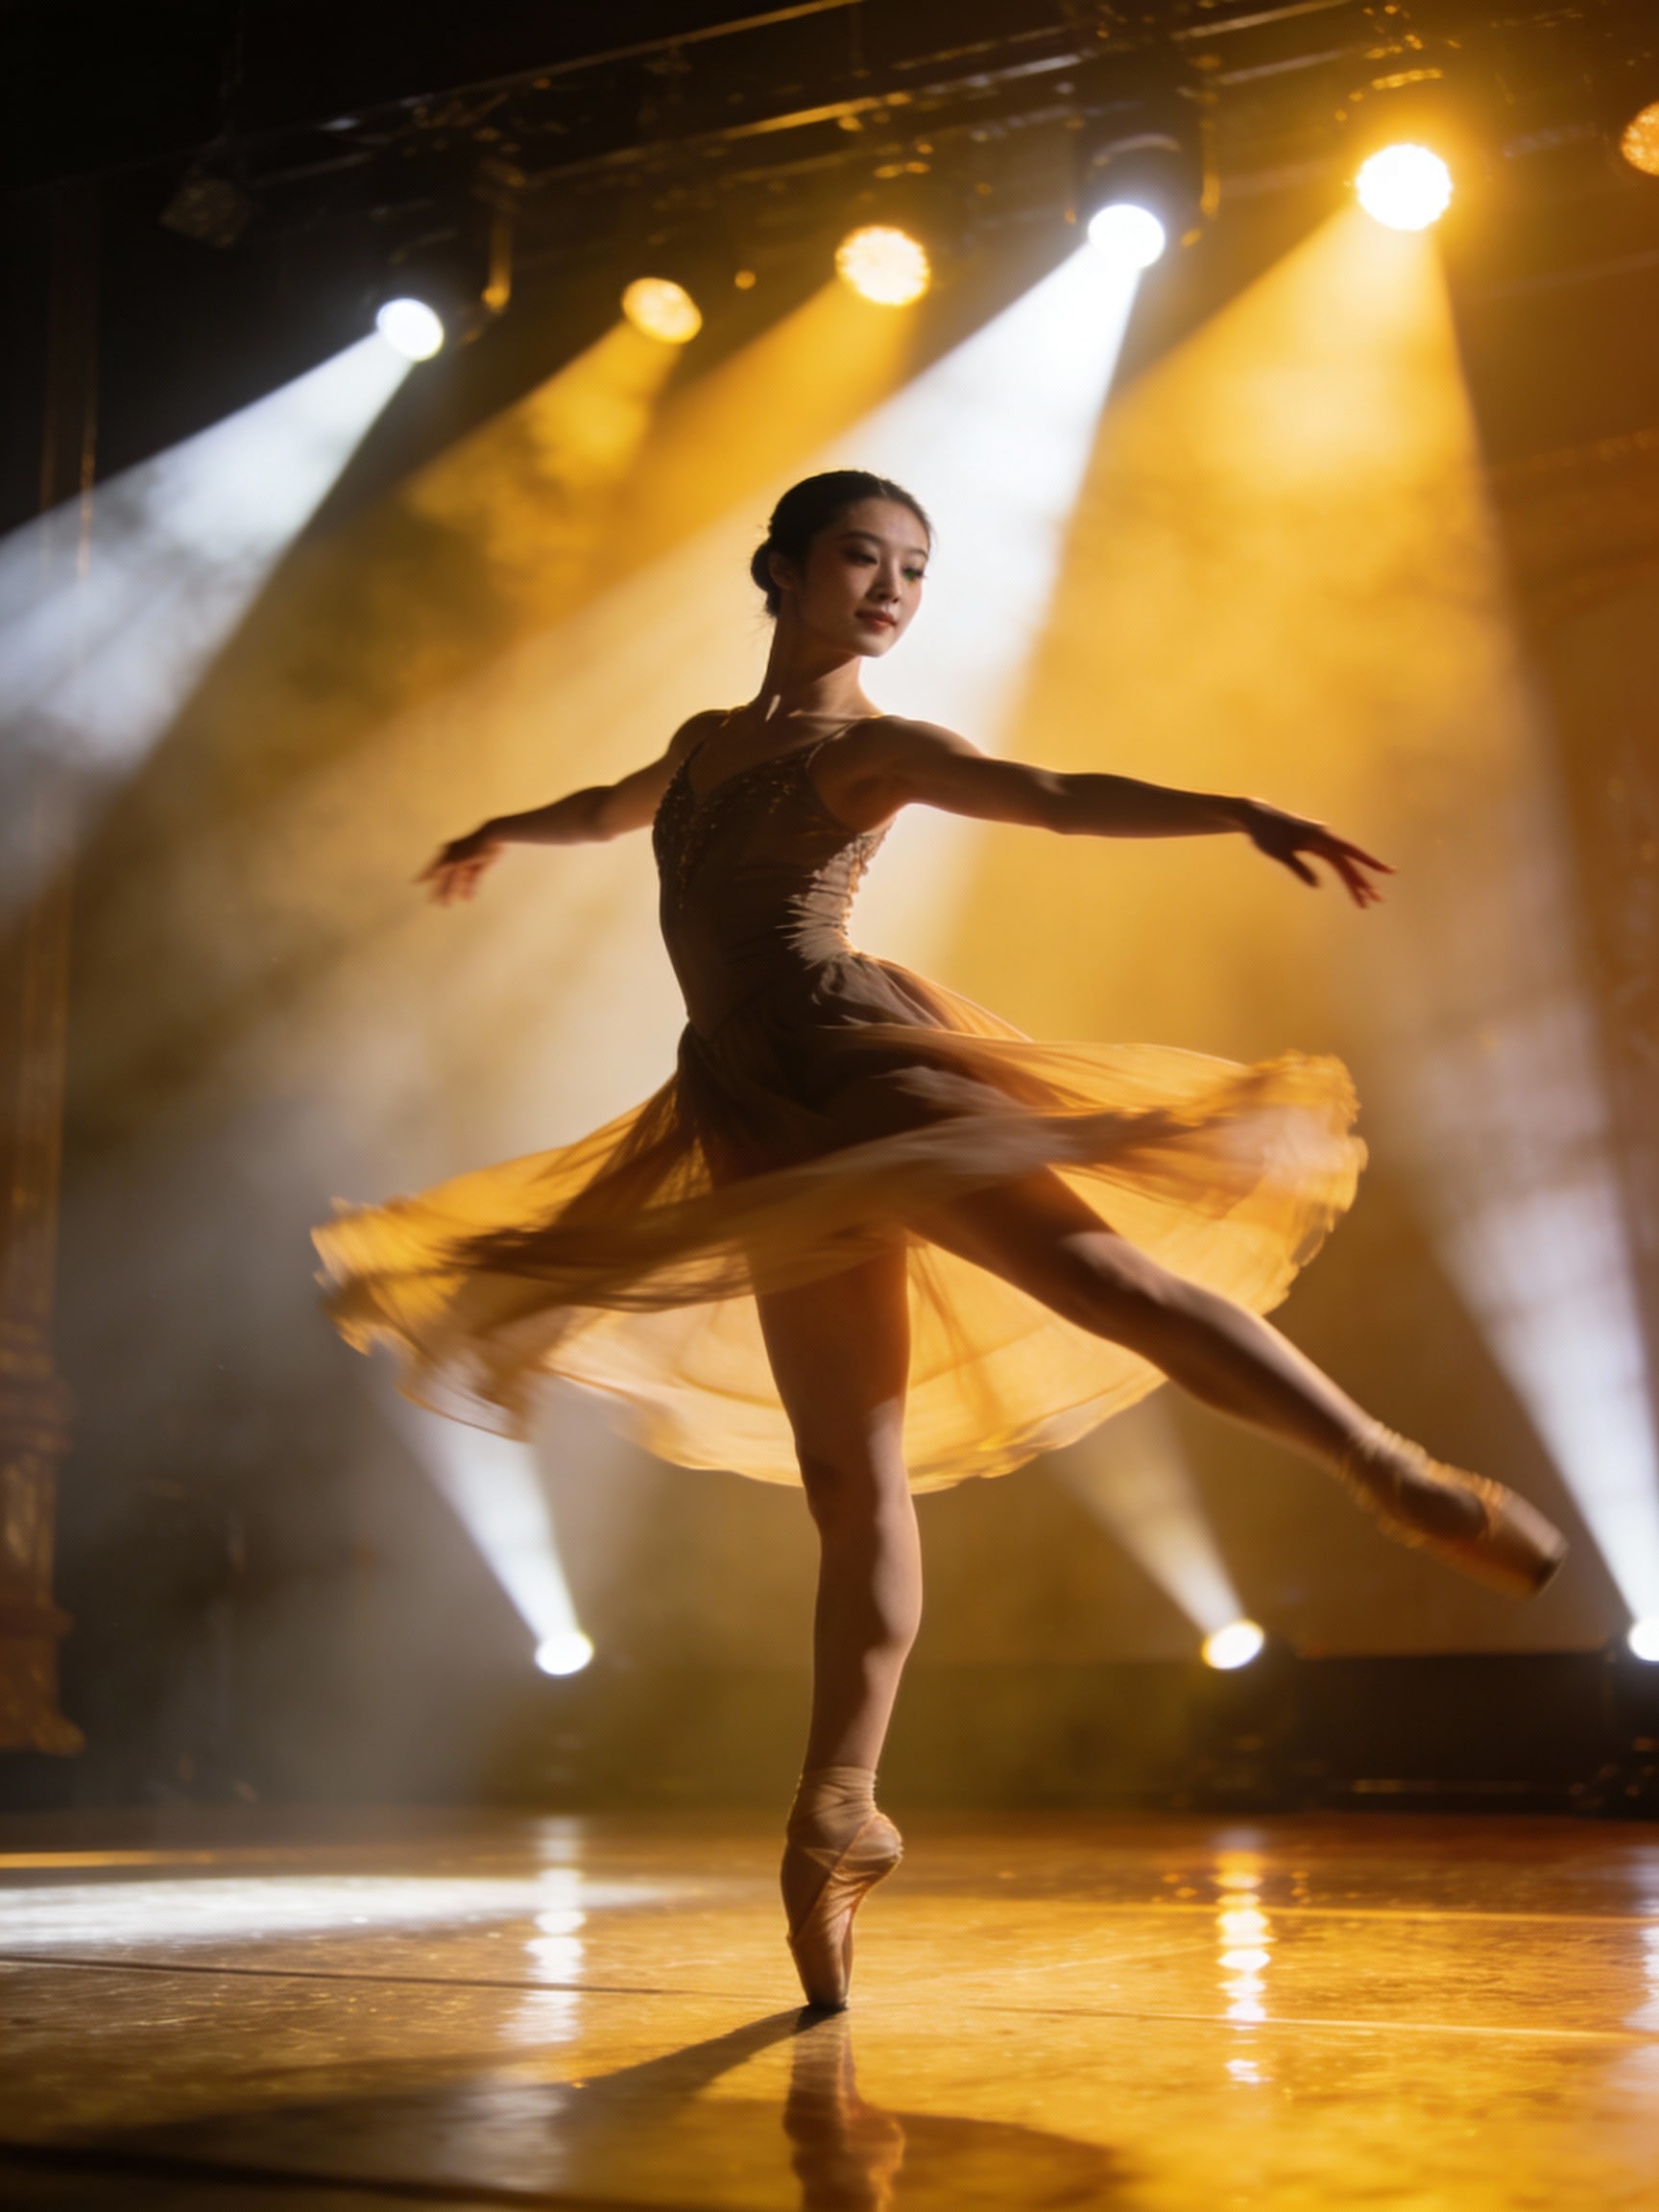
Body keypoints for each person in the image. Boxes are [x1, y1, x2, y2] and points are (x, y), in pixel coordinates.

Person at [316, 468, 1565, 2012]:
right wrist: (502, 828)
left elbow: (1052, 796)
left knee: (1107, 1282)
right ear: (781, 570)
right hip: (750, 1112)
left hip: (856, 1063)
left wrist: (1234, 812)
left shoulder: (876, 749)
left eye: (914, 567)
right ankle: (836, 1814)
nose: (895, 589)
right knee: (851, 1480)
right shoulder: (705, 745)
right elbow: (607, 809)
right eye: (865, 557)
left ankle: (1391, 1471)